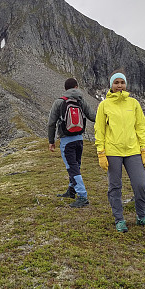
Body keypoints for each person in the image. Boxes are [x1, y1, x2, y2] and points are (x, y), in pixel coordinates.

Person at [94, 70, 145, 232]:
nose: (119, 86)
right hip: (112, 151)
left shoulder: (134, 104)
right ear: (111, 85)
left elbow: (141, 127)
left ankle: (141, 217)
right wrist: (101, 153)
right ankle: (119, 219)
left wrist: (144, 150)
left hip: (133, 151)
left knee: (141, 185)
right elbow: (99, 130)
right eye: (116, 83)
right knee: (115, 186)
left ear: (126, 84)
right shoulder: (104, 105)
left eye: (122, 83)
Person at [48, 78, 96, 208]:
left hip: (66, 141)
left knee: (72, 168)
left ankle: (82, 196)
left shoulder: (59, 102)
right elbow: (93, 116)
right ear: (76, 87)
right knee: (76, 165)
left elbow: (51, 123)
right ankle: (71, 191)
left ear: (65, 89)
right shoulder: (81, 101)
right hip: (79, 139)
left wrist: (51, 141)